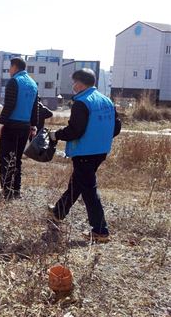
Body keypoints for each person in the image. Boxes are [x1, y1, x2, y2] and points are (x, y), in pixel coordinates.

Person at [47, 69, 121, 243]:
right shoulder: (106, 100)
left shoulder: (81, 102)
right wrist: (100, 137)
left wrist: (55, 135)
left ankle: (100, 231)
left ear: (79, 84)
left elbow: (75, 131)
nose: (73, 86)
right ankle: (58, 212)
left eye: (74, 83)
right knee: (78, 183)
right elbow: (116, 127)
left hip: (85, 152)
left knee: (89, 190)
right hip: (100, 151)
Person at [0, 57, 39, 200]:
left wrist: (1, 123)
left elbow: (10, 104)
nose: (9, 71)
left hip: (11, 126)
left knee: (5, 159)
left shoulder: (14, 81)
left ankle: (6, 192)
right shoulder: (33, 84)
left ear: (15, 67)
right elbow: (35, 107)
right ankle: (16, 191)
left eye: (10, 67)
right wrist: (34, 125)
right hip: (25, 127)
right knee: (17, 160)